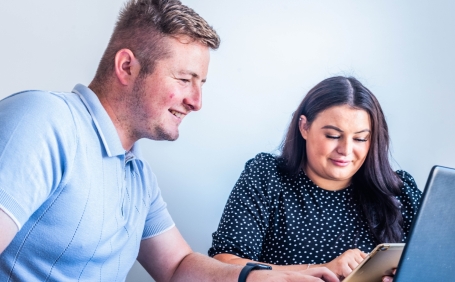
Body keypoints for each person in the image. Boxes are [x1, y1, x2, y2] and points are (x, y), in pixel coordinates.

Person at [0, 0, 339, 281]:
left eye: (201, 83)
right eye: (184, 79)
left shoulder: (136, 173)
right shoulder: (44, 120)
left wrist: (259, 277)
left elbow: (177, 267)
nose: (196, 101)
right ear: (127, 67)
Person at [209, 76, 422, 281]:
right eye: (333, 136)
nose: (346, 150)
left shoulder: (400, 191)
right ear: (304, 127)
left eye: (360, 138)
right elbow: (224, 263)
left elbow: (441, 263)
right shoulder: (267, 177)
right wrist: (322, 270)